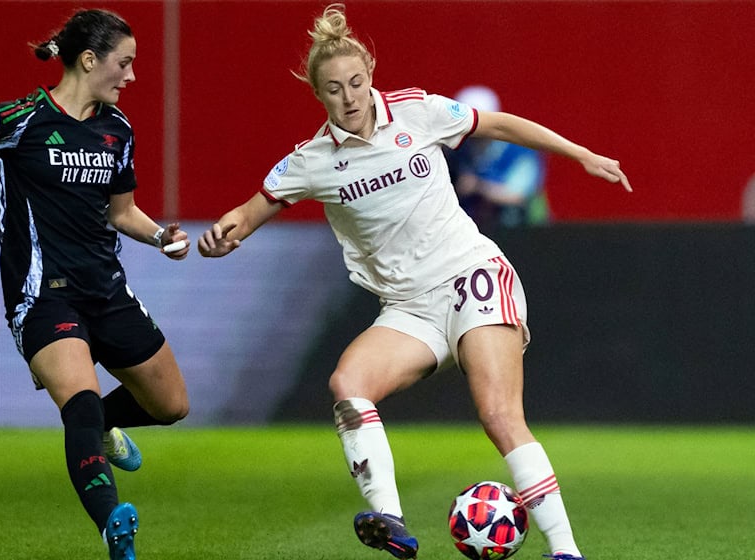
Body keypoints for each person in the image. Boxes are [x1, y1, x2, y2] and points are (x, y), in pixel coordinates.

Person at [198, 5, 630, 560]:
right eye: (334, 89)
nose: (349, 97)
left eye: (356, 82)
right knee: (347, 383)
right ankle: (391, 520)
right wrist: (222, 236)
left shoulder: (417, 112)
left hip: (470, 274)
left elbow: (497, 124)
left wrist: (580, 153)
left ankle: (566, 551)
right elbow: (252, 210)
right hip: (408, 306)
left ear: (371, 76)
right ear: (319, 95)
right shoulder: (310, 162)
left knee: (499, 416)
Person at [0, 9, 190, 560]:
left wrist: (161, 236)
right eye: (125, 63)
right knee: (82, 401)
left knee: (171, 405)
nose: (132, 77)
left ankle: (99, 430)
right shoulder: (20, 117)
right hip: (43, 295)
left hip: (107, 292)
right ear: (89, 61)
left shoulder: (120, 130)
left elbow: (123, 212)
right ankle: (113, 524)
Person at [445, 85, 549, 232]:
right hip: (471, 231)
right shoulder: (456, 151)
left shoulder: (520, 150)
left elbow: (518, 196)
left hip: (521, 230)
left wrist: (478, 186)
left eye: (475, 123)